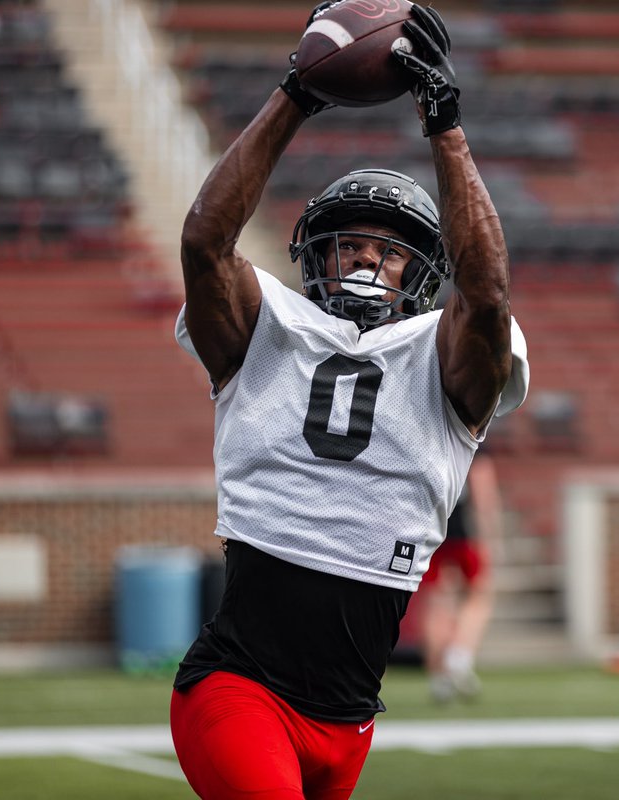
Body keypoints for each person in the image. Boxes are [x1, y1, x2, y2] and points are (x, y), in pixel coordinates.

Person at [167, 4, 529, 799]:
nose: (366, 260)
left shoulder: (445, 353)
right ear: (312, 256)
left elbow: (489, 290)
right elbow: (203, 243)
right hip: (239, 688)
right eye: (348, 245)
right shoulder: (268, 325)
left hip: (350, 719)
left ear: (421, 277)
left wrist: (446, 125)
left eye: (387, 252)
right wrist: (296, 92)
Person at [419, 451, 502, 703]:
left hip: (430, 535)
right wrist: (491, 538)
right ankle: (459, 655)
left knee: (435, 604)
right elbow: (483, 494)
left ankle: (439, 676)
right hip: (462, 536)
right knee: (480, 596)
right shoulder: (474, 441)